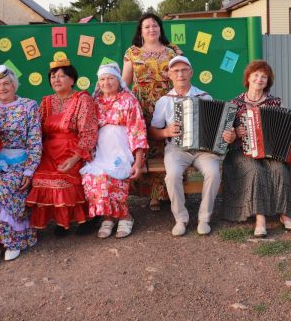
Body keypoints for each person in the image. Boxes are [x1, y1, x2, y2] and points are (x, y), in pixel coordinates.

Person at [0, 65, 42, 269]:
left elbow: (35, 142)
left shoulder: (29, 106)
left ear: (14, 84)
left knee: (3, 187)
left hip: (21, 163)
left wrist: (29, 170)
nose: (2, 88)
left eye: (6, 83)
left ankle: (13, 240)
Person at [149, 55, 229, 236]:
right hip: (176, 149)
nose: (180, 74)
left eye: (184, 70)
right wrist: (165, 132)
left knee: (213, 172)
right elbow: (153, 131)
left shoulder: (204, 96)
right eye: (176, 71)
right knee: (172, 176)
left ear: (191, 72)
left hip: (204, 150)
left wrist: (224, 134)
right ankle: (181, 219)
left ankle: (204, 218)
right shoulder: (165, 101)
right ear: (169, 74)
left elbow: (216, 125)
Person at [224, 60, 291, 237]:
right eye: (256, 75)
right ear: (248, 78)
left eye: (264, 76)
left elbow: (281, 130)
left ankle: (284, 214)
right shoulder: (234, 103)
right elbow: (227, 135)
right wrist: (235, 131)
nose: (259, 79)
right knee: (255, 171)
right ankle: (260, 219)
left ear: (268, 81)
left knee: (280, 169)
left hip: (269, 152)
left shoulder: (274, 102)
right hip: (241, 151)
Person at [26, 59, 99, 234]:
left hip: (74, 149)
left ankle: (86, 220)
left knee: (65, 178)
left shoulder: (83, 99)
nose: (56, 80)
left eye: (61, 76)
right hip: (49, 150)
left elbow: (89, 132)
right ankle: (61, 221)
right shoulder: (46, 102)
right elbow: (38, 131)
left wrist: (75, 157)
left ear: (72, 79)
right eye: (53, 76)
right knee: (39, 178)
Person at [122, 12, 183, 211]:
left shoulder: (173, 51)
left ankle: (165, 193)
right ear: (141, 30)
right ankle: (149, 194)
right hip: (142, 105)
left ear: (160, 29)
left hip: (169, 103)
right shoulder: (133, 52)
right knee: (146, 146)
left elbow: (182, 75)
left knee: (168, 144)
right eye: (147, 26)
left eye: (155, 25)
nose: (151, 29)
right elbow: (125, 83)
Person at [81, 63, 147, 239]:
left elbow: (137, 130)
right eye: (102, 79)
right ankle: (108, 217)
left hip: (122, 151)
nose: (106, 82)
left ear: (118, 80)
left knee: (113, 177)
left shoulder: (128, 100)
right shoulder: (94, 102)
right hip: (100, 152)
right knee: (93, 177)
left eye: (110, 78)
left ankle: (125, 216)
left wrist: (138, 162)